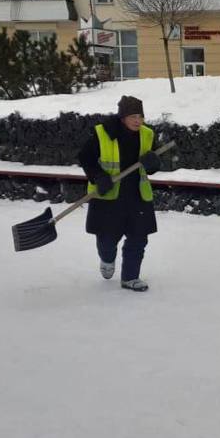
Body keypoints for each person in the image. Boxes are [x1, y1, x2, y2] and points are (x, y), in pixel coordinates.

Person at [78, 95, 162, 292]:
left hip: (137, 195)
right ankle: (107, 258)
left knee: (139, 238)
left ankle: (130, 277)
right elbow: (85, 157)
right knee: (107, 239)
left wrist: (154, 163)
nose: (137, 121)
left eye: (140, 116)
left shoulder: (147, 134)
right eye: (133, 116)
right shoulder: (103, 133)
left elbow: (155, 161)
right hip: (109, 196)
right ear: (122, 117)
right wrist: (98, 176)